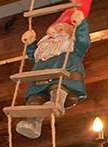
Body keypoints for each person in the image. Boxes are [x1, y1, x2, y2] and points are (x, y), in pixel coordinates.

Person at [15, 2, 92, 139]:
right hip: (39, 82)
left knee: (58, 89)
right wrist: (31, 43)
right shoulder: (44, 50)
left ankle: (57, 104)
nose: (56, 33)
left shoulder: (72, 46)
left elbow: (83, 40)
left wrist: (81, 24)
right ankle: (33, 124)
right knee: (34, 100)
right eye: (54, 30)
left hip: (64, 79)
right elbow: (34, 57)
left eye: (61, 29)